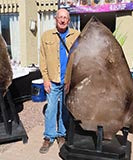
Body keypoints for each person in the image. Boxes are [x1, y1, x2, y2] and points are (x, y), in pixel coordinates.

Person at [39, 8, 80, 154]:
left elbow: (79, 59)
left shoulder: (77, 35)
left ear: (69, 20)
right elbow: (42, 59)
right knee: (50, 109)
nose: (62, 20)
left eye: (65, 18)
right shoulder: (46, 36)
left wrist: (73, 80)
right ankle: (49, 137)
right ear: (55, 19)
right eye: (60, 17)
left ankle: (61, 135)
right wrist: (45, 79)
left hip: (68, 80)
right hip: (52, 80)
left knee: (65, 109)